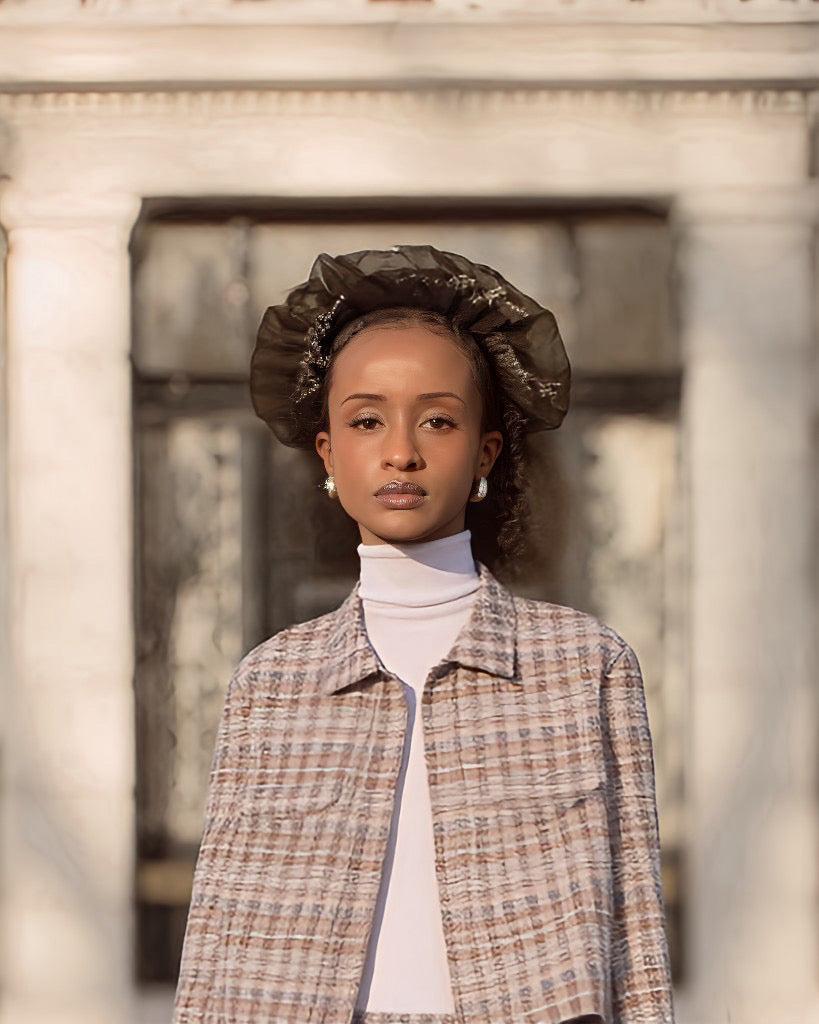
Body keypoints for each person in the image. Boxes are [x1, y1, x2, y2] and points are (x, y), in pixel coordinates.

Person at [172, 245, 676, 1024]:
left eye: (436, 420)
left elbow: (635, 938)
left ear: (484, 450)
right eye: (366, 420)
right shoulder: (271, 681)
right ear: (328, 453)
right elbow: (218, 941)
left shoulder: (585, 666)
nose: (400, 451)